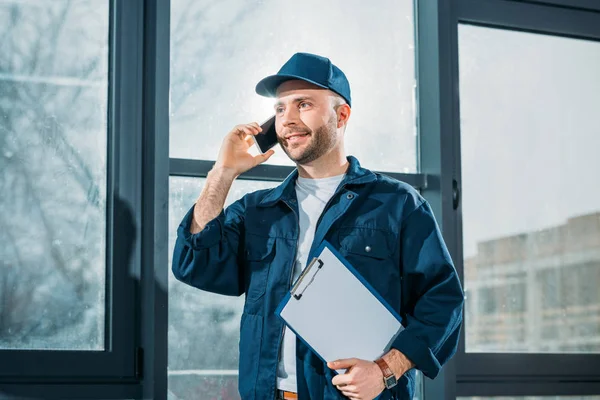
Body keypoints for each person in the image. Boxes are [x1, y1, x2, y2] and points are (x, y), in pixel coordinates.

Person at [172, 52, 464, 400]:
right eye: (280, 109)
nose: (287, 120)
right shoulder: (259, 210)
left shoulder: (396, 204)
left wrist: (386, 371)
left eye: (304, 104)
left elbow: (444, 301)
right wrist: (223, 172)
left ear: (341, 116)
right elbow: (194, 263)